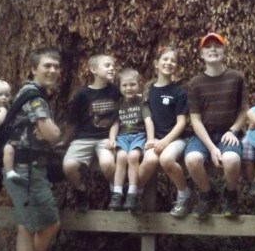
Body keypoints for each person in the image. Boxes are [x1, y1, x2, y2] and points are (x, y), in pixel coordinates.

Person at [4, 48, 62, 251]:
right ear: (33, 69)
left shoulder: (30, 93)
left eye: (56, 67)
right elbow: (52, 135)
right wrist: (53, 133)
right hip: (26, 168)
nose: (52, 71)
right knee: (50, 223)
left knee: (26, 226)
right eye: (47, 66)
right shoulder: (34, 96)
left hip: (22, 166)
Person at [185, 32, 249, 219]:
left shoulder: (236, 78)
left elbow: (244, 110)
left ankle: (230, 194)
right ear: (201, 54)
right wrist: (212, 148)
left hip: (229, 133)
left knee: (232, 160)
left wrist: (233, 130)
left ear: (224, 50)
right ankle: (207, 193)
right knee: (192, 159)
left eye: (217, 46)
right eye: (208, 47)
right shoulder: (194, 83)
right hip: (203, 135)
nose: (213, 49)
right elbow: (195, 119)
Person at [136, 45, 192, 218]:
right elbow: (146, 116)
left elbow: (182, 122)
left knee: (167, 159)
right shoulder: (148, 89)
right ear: (156, 63)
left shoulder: (179, 92)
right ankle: (134, 194)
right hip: (154, 140)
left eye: (173, 60)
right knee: (150, 161)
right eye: (165, 59)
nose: (169, 63)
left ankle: (184, 195)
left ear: (177, 66)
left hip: (176, 139)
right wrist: (152, 140)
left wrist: (166, 141)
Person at [61, 54, 121, 212]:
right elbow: (73, 121)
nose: (112, 68)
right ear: (93, 70)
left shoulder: (115, 91)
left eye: (113, 65)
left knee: (108, 164)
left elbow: (120, 114)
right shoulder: (82, 94)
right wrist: (64, 141)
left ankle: (117, 191)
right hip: (84, 138)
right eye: (107, 65)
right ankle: (80, 190)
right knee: (68, 166)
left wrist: (113, 137)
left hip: (105, 138)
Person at [108, 68, 153, 212]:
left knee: (133, 157)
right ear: (119, 87)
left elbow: (148, 121)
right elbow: (115, 123)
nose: (129, 88)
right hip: (122, 137)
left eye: (132, 84)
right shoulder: (118, 103)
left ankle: (132, 193)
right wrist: (112, 138)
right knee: (121, 157)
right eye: (125, 85)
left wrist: (150, 139)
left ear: (139, 85)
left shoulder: (142, 102)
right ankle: (117, 193)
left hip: (138, 136)